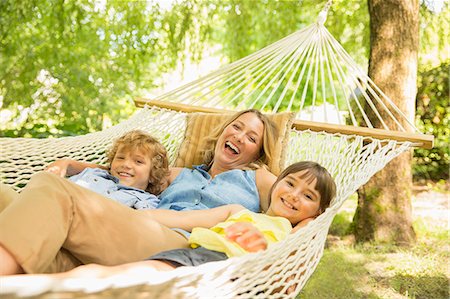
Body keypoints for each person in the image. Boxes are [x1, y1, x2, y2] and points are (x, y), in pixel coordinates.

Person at [0, 109, 279, 275]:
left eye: (252, 138)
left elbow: (298, 201)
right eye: (236, 127)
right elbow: (124, 171)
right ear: (223, 131)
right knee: (6, 196)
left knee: (54, 192)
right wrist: (69, 165)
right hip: (133, 231)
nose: (240, 137)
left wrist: (298, 246)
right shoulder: (181, 173)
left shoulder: (259, 179)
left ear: (259, 150)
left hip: (181, 248)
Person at [43, 161, 337, 278]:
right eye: (291, 184)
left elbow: (308, 235)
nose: (295, 195)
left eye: (309, 196)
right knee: (106, 277)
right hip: (194, 253)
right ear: (278, 183)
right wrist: (129, 214)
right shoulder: (239, 211)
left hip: (229, 271)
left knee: (119, 280)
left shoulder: (299, 229)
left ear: (316, 211)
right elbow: (180, 218)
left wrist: (312, 220)